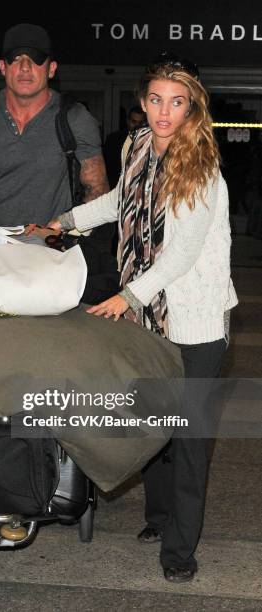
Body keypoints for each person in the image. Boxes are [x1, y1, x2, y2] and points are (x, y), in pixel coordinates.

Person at [49, 52, 238, 583]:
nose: (164, 112)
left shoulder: (202, 168)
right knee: (156, 422)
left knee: (191, 436)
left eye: (177, 102)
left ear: (192, 108)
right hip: (151, 314)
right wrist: (62, 221)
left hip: (195, 320)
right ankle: (159, 518)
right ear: (142, 101)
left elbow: (181, 253)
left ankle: (180, 548)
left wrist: (128, 296)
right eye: (156, 99)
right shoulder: (135, 147)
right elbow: (119, 201)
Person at [0, 23, 108, 248]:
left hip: (51, 251)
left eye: (36, 59)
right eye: (16, 58)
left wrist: (69, 232)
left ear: (51, 69)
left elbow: (97, 189)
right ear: (3, 67)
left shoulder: (74, 117)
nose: (25, 67)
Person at [103, 105, 147, 189]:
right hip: (116, 187)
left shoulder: (150, 140)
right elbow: (107, 167)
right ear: (127, 121)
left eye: (140, 123)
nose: (137, 126)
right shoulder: (113, 139)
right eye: (133, 122)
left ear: (144, 123)